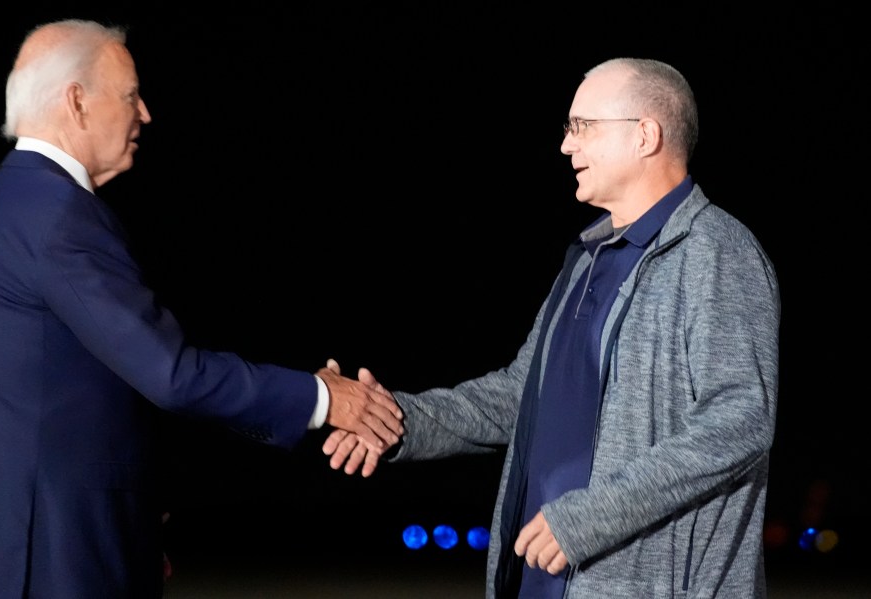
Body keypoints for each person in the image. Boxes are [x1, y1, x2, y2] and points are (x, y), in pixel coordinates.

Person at [0, 18, 403, 599]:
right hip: (61, 553)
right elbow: (171, 374)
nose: (145, 114)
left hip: (24, 538)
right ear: (77, 102)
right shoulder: (56, 215)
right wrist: (326, 398)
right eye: (130, 96)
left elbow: (65, 394)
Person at [323, 57, 781, 598]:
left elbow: (739, 420)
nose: (567, 145)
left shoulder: (715, 250)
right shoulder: (586, 258)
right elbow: (521, 396)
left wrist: (587, 520)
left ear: (645, 135)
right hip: (539, 580)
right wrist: (396, 419)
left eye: (582, 126)